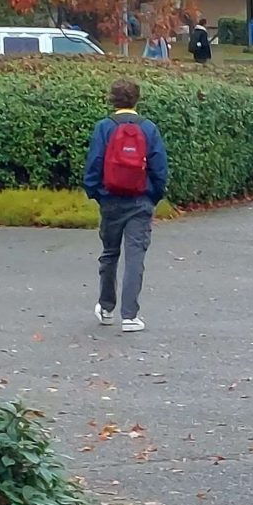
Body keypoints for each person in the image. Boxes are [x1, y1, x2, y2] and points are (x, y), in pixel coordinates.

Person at [82, 77, 170, 334]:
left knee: (109, 253)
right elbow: (159, 168)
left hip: (110, 199)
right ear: (137, 99)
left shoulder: (104, 127)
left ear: (112, 99)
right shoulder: (149, 128)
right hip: (140, 200)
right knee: (135, 256)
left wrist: (97, 193)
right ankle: (130, 315)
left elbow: (94, 162)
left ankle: (106, 307)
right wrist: (153, 195)